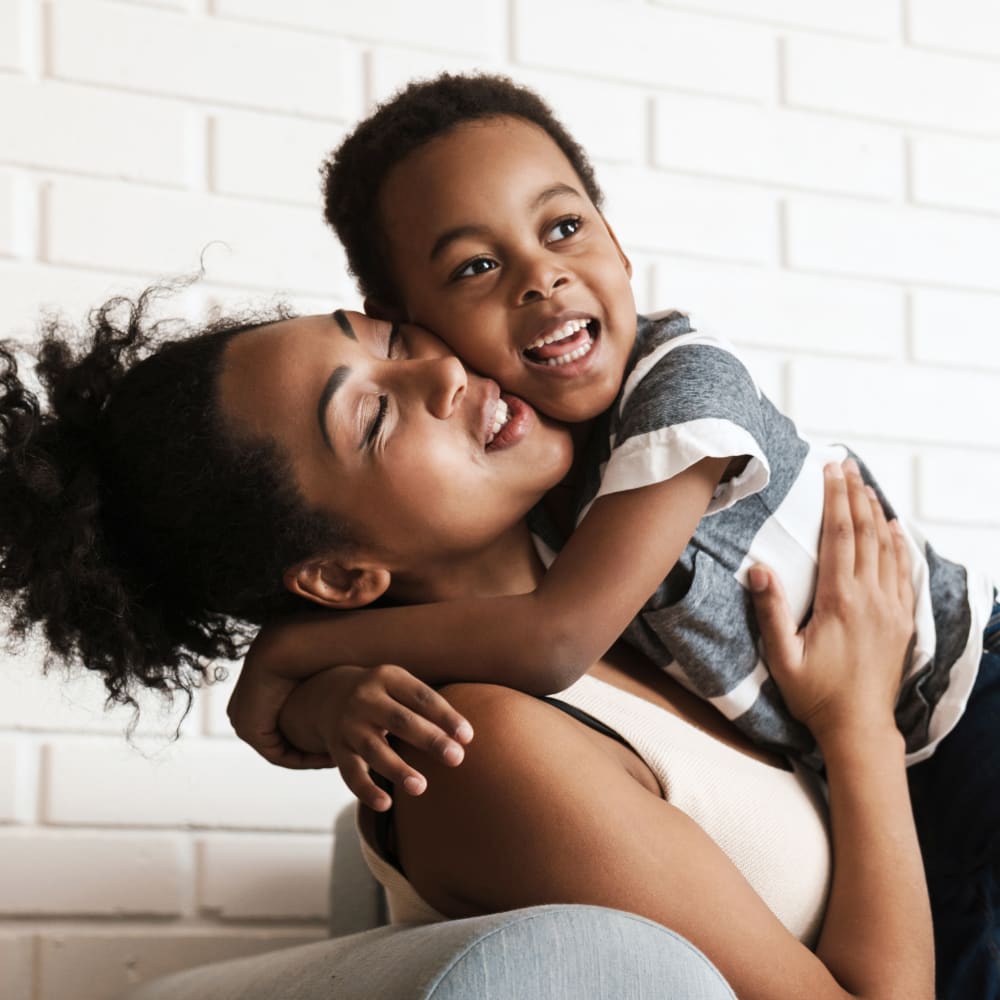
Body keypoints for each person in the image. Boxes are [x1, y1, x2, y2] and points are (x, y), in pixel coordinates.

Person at [226, 73, 997, 998]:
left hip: (968, 700)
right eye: (475, 267)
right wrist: (320, 692)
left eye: (562, 228)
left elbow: (553, 636)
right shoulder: (524, 623)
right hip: (894, 739)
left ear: (618, 247)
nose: (541, 276)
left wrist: (296, 658)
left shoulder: (680, 395)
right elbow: (532, 641)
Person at [0, 295, 931, 999]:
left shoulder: (606, 571)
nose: (441, 375)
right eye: (371, 417)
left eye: (392, 340)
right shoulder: (473, 748)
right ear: (338, 579)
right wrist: (859, 726)